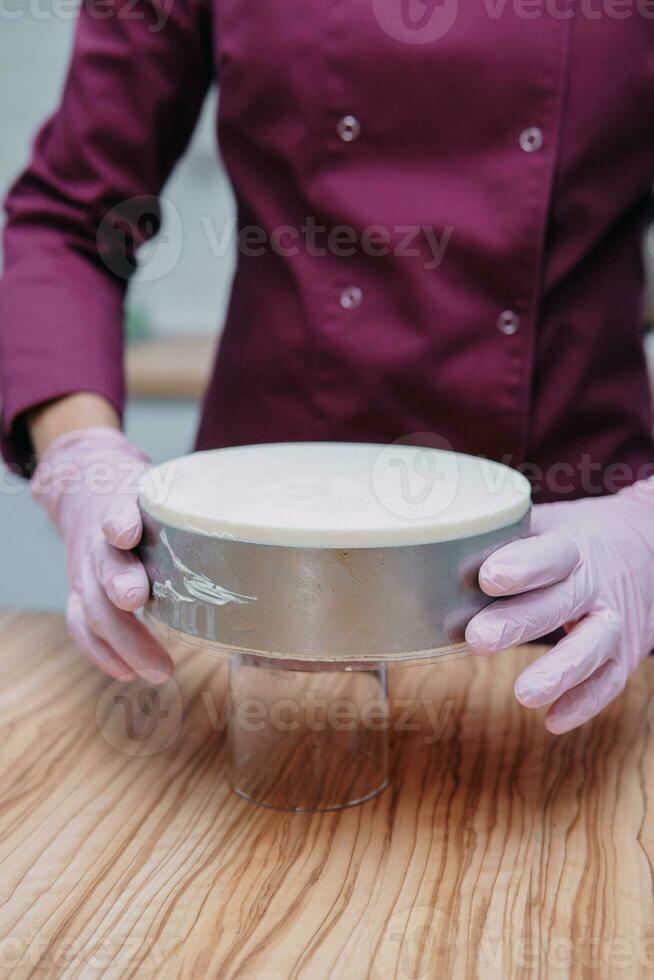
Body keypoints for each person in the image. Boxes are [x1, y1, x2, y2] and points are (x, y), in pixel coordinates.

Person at [2, 1, 654, 730]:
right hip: (258, 600)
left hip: (580, 595)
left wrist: (645, 529)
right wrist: (82, 463)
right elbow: (69, 220)